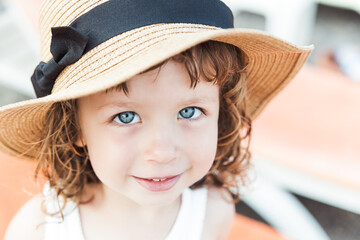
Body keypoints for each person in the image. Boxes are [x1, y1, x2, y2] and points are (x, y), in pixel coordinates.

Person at [2, 0, 313, 239]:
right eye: (126, 116)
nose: (163, 152)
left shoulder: (213, 212)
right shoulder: (40, 229)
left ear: (221, 113)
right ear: (75, 128)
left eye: (189, 112)